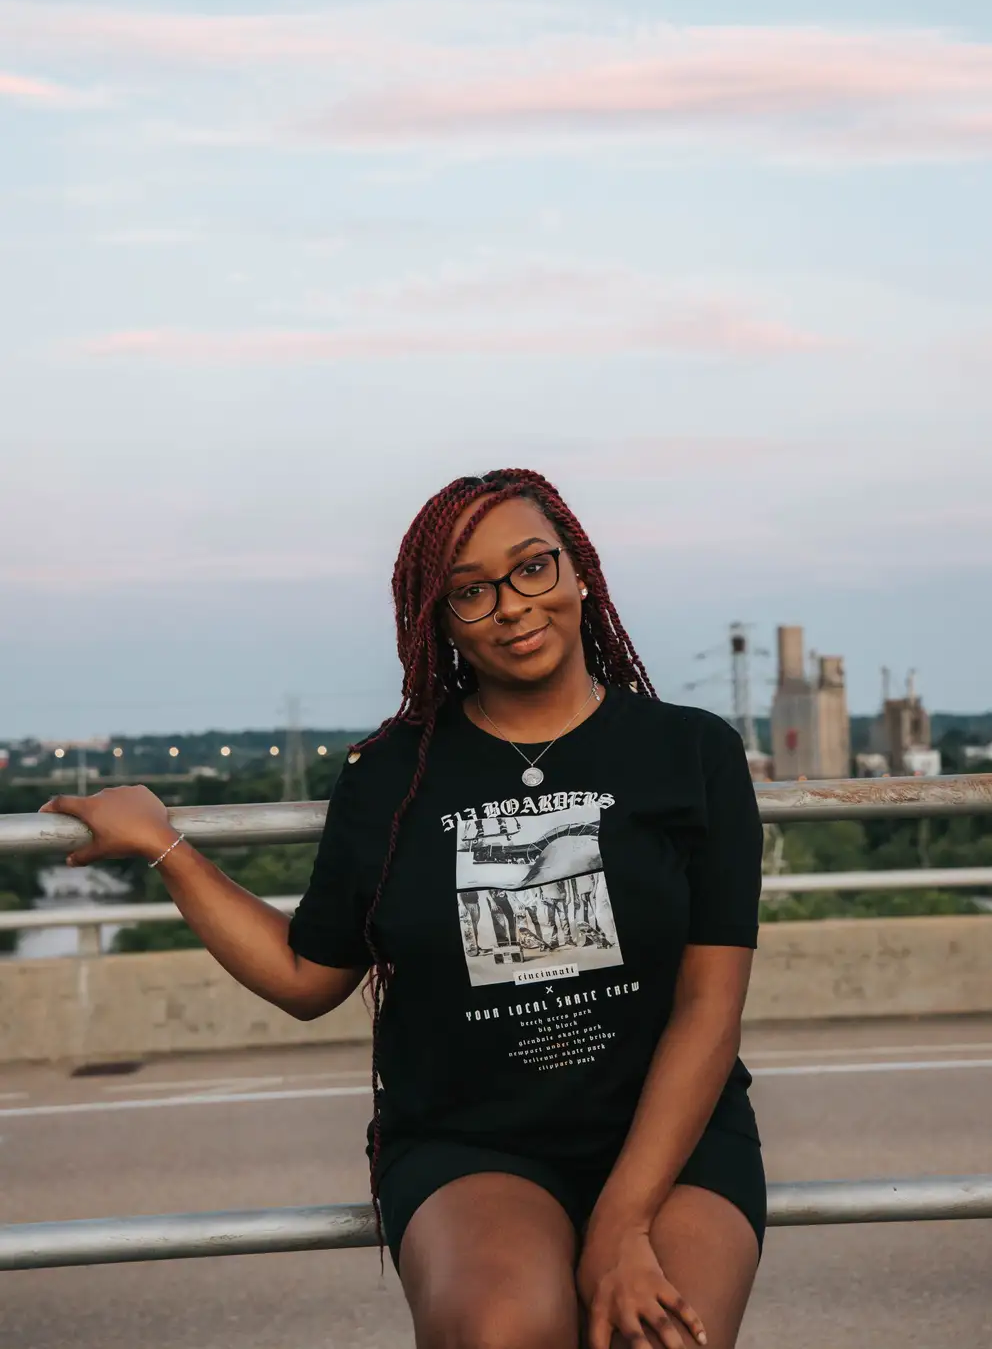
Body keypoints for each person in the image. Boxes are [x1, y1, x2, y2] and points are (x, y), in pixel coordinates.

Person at [42, 468, 765, 1349]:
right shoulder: (393, 775)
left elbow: (709, 1006)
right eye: (472, 592)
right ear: (439, 620)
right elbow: (309, 978)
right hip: (474, 1143)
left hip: (671, 1136)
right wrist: (165, 846)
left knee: (662, 1340)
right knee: (506, 1329)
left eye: (533, 567)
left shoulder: (690, 753)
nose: (511, 605)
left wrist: (622, 1224)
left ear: (578, 569)